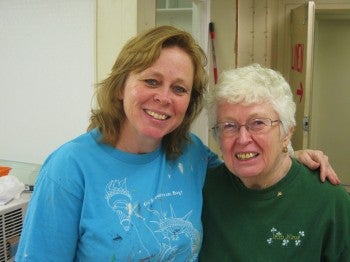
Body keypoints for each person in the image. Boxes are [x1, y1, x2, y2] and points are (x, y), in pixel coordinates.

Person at [15, 26, 338, 261]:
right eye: (151, 81)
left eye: (179, 88)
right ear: (119, 87)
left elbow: (244, 159)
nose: (164, 98)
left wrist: (290, 155)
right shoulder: (69, 169)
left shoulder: (191, 154)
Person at [200, 64, 350, 261]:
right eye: (229, 126)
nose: (243, 138)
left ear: (287, 132)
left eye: (258, 123)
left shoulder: (330, 202)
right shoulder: (203, 189)